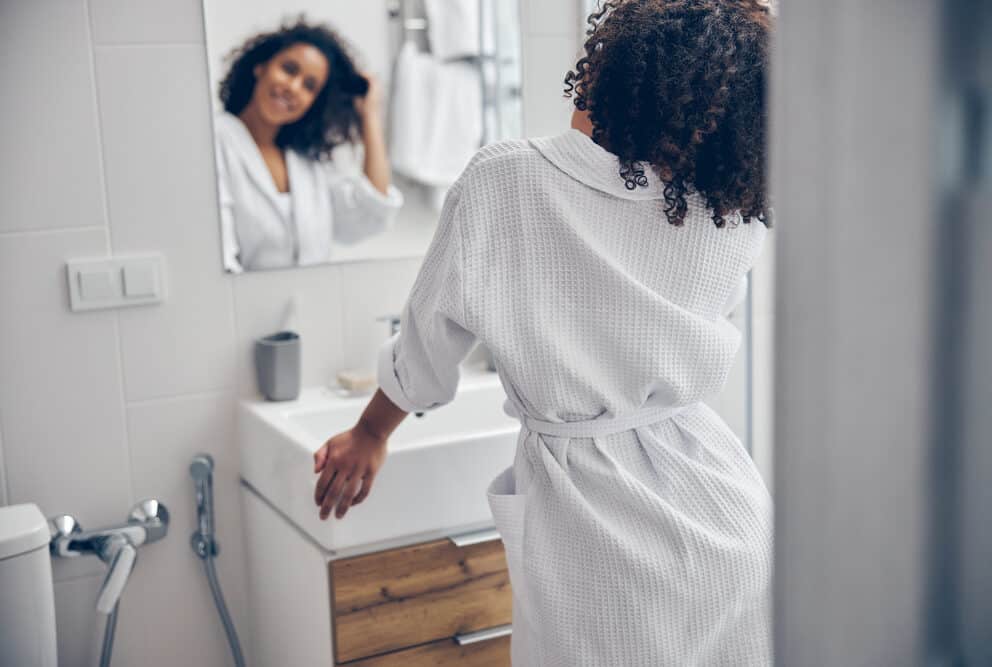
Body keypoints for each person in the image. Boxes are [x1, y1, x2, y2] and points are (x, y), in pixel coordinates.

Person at [313, 0, 773, 664]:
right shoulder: (729, 210)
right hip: (728, 522)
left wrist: (371, 432)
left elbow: (425, 350)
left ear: (614, 69)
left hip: (601, 548)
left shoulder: (506, 180)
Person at [214, 20, 402, 272]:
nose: (293, 87)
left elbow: (371, 212)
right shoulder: (216, 140)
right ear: (260, 66)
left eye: (309, 86)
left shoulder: (306, 162)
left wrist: (370, 116)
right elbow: (218, 259)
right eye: (289, 69)